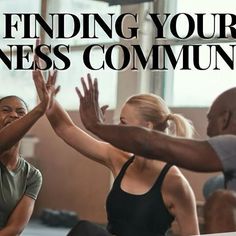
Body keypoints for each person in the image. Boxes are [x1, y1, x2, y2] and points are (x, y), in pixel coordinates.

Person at [32, 68, 199, 236]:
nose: (118, 129)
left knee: (86, 231)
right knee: (84, 230)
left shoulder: (175, 183)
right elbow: (65, 129)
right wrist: (45, 94)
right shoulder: (119, 158)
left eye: (123, 123)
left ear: (147, 127)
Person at [77, 75, 236, 233]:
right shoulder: (217, 183)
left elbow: (150, 143)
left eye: (211, 119)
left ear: (225, 119)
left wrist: (97, 126)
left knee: (220, 202)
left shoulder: (231, 145)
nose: (208, 130)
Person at [0, 77, 54, 235]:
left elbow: (15, 227)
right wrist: (39, 109)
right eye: (6, 110)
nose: (14, 115)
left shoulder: (32, 176)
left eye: (21, 112)